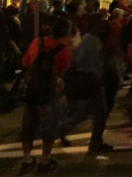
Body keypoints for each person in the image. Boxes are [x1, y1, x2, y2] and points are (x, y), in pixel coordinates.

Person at [18, 15, 74, 175]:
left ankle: (26, 157)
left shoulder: (37, 42)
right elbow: (63, 71)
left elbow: (26, 62)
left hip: (31, 90)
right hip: (50, 92)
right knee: (48, 126)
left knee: (28, 126)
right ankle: (45, 159)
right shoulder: (65, 49)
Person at [59, 14, 113, 153]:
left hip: (85, 79)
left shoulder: (83, 38)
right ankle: (95, 142)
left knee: (85, 111)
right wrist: (98, 76)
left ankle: (64, 129)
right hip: (90, 80)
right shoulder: (92, 40)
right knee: (98, 112)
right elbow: (88, 63)